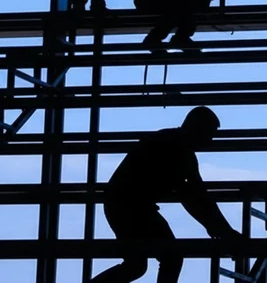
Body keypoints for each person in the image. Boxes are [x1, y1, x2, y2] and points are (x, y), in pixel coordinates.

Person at [90, 106, 242, 283]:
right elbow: (195, 196)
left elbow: (196, 196)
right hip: (133, 208)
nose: (210, 140)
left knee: (138, 265)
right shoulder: (179, 150)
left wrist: (220, 229)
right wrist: (223, 230)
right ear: (197, 129)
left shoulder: (170, 142)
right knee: (168, 258)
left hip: (124, 205)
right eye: (209, 134)